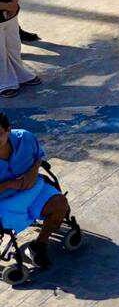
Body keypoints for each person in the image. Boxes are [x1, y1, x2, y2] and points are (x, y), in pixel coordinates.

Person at [0, 114, 70, 268]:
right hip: (3, 200)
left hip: (33, 188)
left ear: (8, 130)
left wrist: (32, 173)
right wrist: (10, 184)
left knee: (60, 204)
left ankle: (39, 245)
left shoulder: (25, 138)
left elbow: (38, 158)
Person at [0, 0, 39, 97]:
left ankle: (21, 74)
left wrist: (14, 3)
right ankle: (4, 83)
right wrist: (7, 6)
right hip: (5, 12)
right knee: (0, 53)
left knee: (13, 47)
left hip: (9, 17)